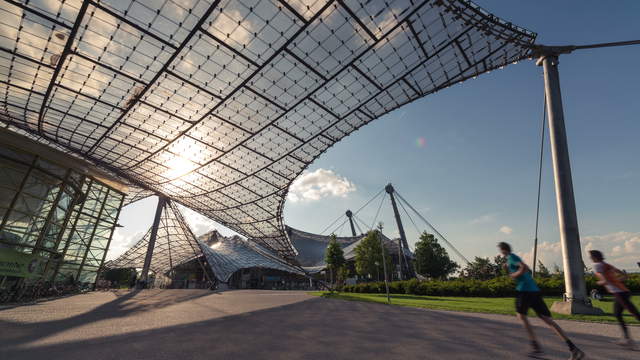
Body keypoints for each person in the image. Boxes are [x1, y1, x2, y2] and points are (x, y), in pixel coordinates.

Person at [498, 242, 585, 359]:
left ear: (503, 250)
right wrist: (512, 271)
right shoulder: (512, 259)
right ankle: (573, 348)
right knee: (548, 320)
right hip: (534, 290)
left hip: (524, 291)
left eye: (500, 250)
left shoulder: (511, 257)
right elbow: (528, 270)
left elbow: (523, 268)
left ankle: (536, 346)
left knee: (521, 316)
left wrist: (513, 275)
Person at [589, 250, 640, 349]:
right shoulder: (606, 264)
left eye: (591, 257)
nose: (590, 259)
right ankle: (627, 339)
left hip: (620, 293)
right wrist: (617, 280)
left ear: (595, 257)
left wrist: (600, 283)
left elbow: (605, 280)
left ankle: (628, 340)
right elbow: (625, 276)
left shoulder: (596, 266)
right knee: (618, 314)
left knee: (635, 314)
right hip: (623, 292)